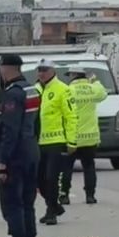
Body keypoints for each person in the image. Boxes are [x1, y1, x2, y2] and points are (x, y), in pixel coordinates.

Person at [0, 54, 43, 237]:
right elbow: (37, 123)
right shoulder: (31, 90)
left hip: (15, 156)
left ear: (5, 69)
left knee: (13, 204)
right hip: (31, 151)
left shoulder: (12, 95)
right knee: (28, 203)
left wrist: (3, 162)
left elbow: (9, 131)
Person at [33, 60, 74, 226]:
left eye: (45, 70)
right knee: (39, 180)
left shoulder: (63, 89)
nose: (41, 73)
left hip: (56, 141)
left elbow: (71, 117)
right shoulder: (34, 90)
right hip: (38, 142)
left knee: (51, 178)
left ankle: (51, 212)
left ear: (53, 71)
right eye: (39, 70)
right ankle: (55, 205)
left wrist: (71, 141)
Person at [62, 66, 106, 206]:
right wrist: (95, 81)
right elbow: (103, 93)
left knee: (66, 167)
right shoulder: (92, 89)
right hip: (90, 137)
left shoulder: (68, 90)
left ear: (74, 75)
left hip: (72, 137)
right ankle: (90, 196)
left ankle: (64, 196)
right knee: (89, 167)